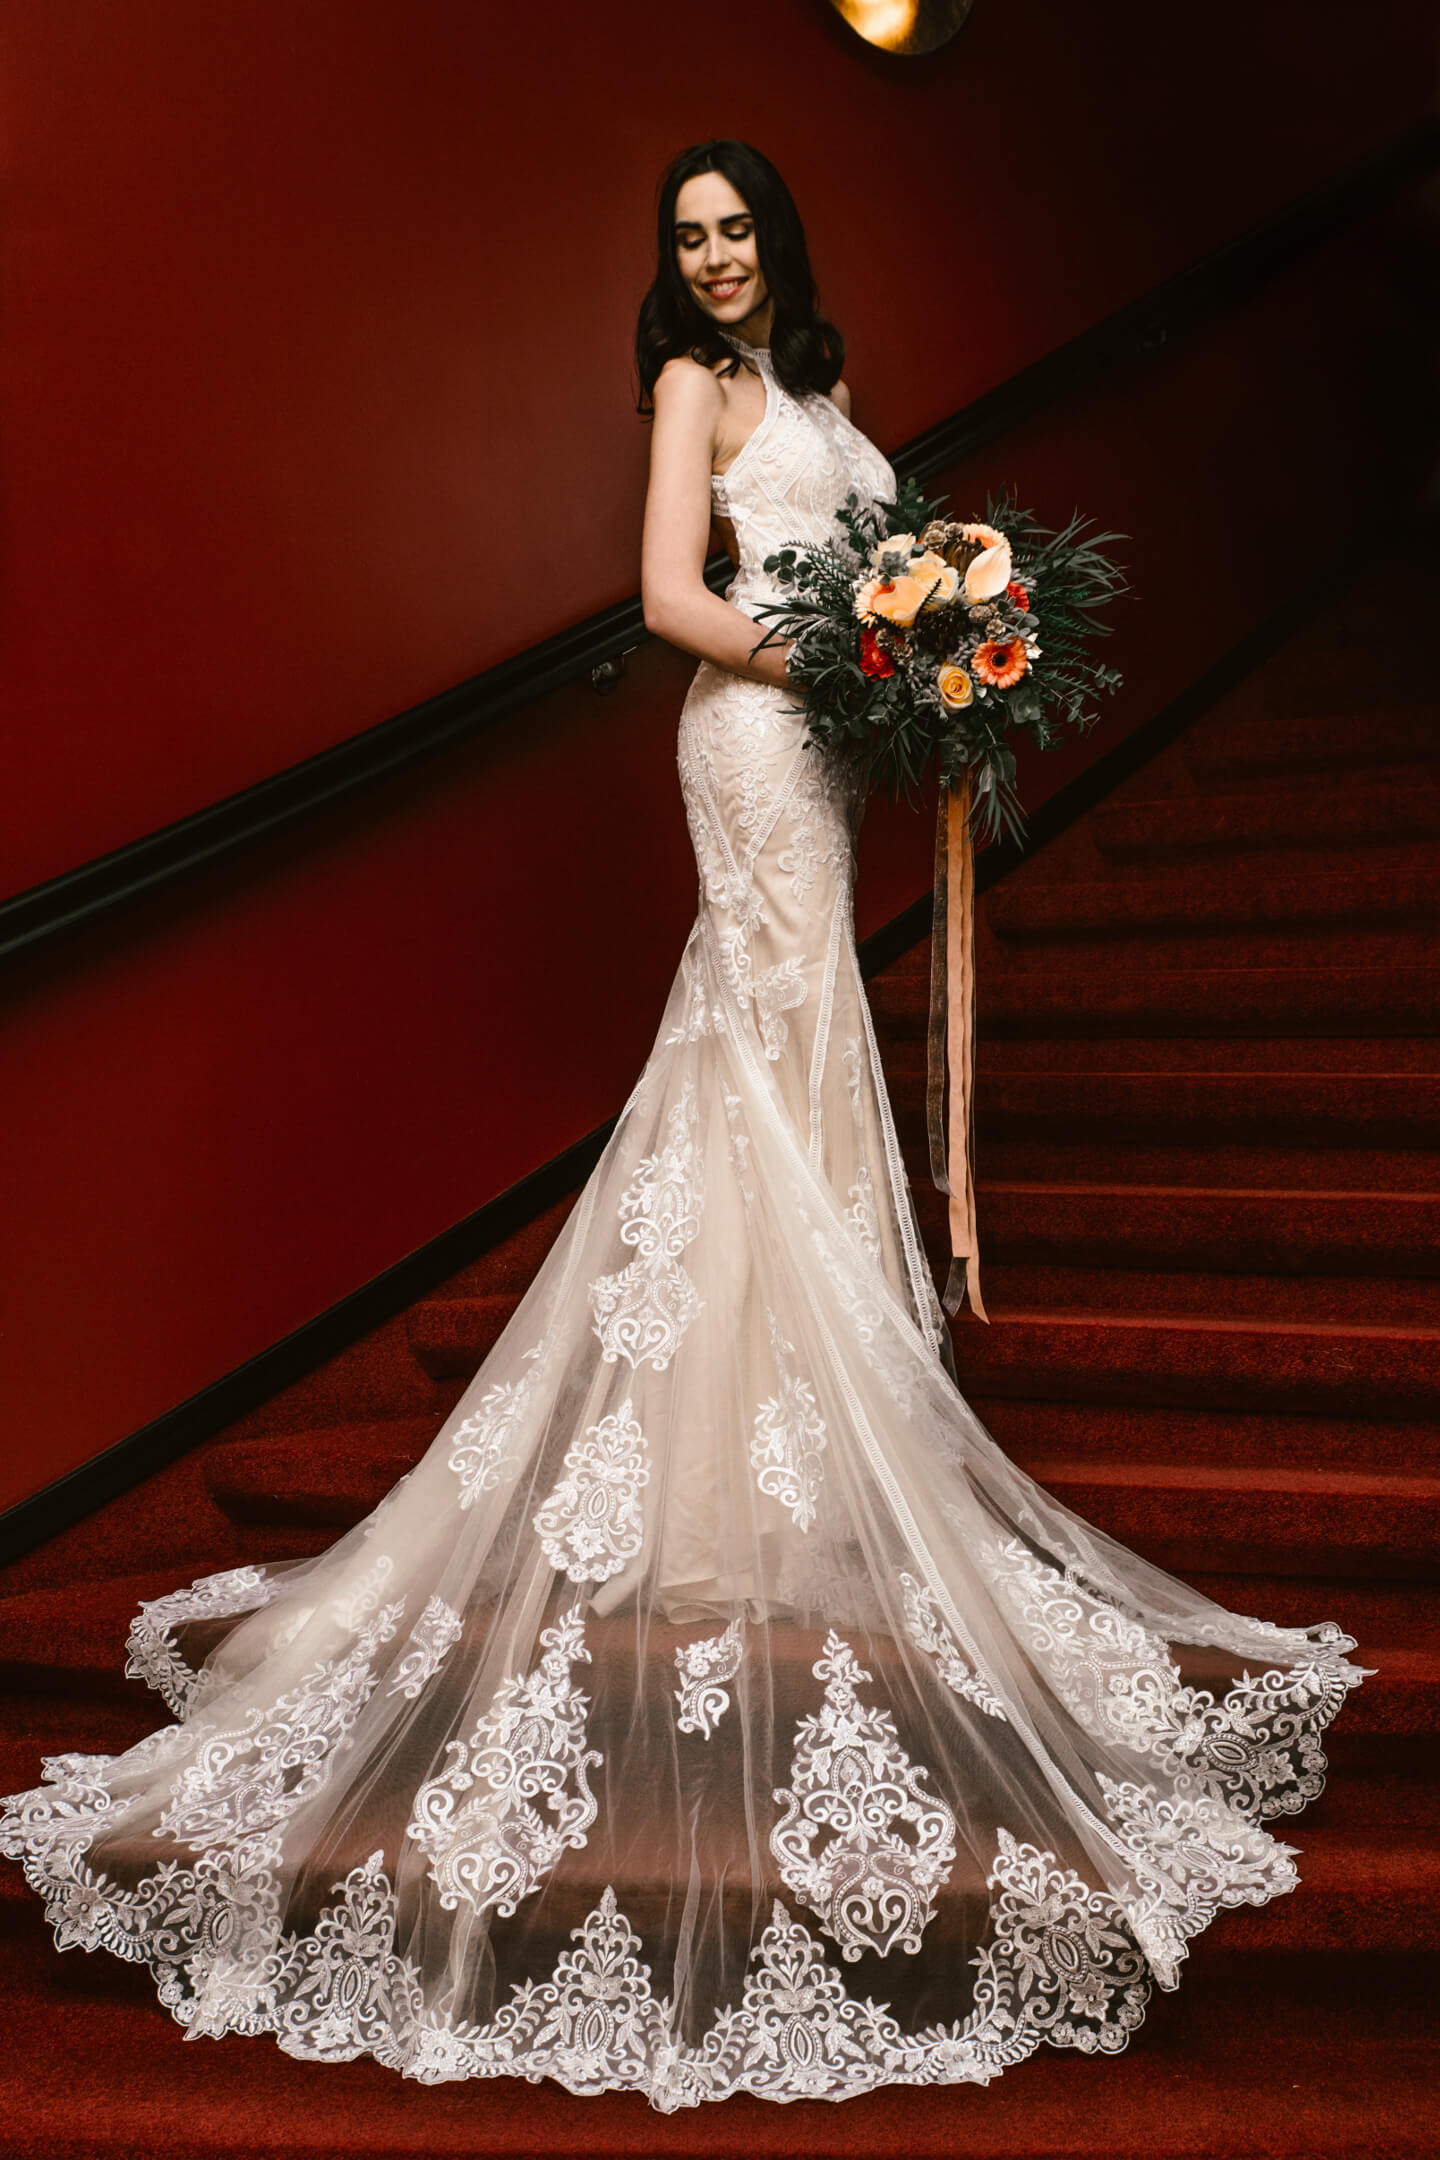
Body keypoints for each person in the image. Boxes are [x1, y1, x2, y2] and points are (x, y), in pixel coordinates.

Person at [1, 138, 1365, 2109]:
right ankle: (762, 1471)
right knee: (761, 1037)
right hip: (747, 742)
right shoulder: (691, 393)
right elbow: (662, 597)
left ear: (777, 243)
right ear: (673, 270)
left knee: (803, 1054)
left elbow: (882, 562)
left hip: (825, 756)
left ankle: (802, 1447)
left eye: (736, 231)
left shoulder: (817, 395)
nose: (715, 261)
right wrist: (848, 651)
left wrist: (924, 648)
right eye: (689, 240)